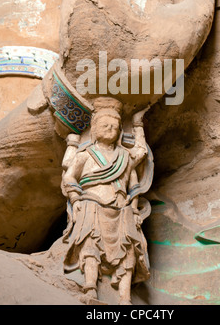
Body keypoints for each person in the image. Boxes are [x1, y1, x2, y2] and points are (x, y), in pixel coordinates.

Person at [62, 97, 151, 304]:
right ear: (94, 129)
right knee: (90, 245)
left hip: (121, 208)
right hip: (91, 204)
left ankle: (125, 298)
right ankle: (90, 288)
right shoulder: (86, 155)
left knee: (128, 249)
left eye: (114, 126)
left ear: (120, 130)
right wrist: (76, 200)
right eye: (105, 125)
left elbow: (134, 185)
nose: (110, 129)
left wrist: (138, 124)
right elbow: (69, 177)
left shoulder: (124, 157)